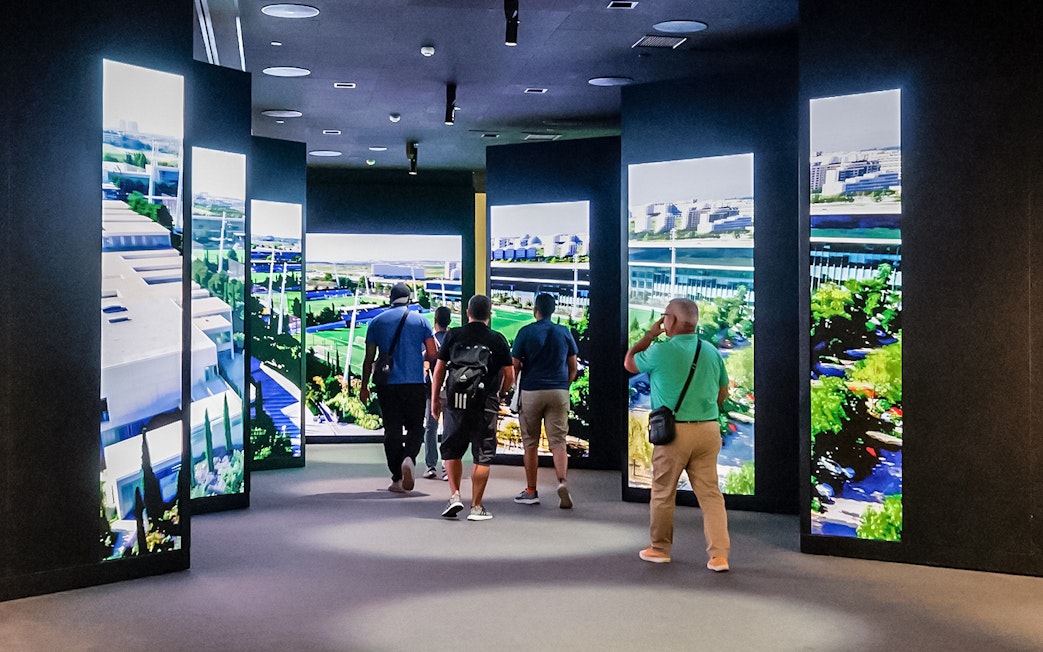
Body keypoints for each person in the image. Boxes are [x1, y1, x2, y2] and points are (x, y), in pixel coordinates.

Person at [623, 297, 731, 571]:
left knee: (662, 492)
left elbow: (629, 363)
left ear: (669, 321)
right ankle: (719, 556)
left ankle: (659, 548)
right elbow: (723, 393)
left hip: (674, 434)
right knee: (710, 495)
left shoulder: (661, 351)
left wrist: (650, 334)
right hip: (708, 430)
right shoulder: (711, 351)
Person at [430, 294, 514, 521]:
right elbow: (509, 374)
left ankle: (455, 495)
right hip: (485, 403)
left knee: (452, 449)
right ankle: (476, 507)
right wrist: (502, 393)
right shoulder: (497, 339)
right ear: (489, 313)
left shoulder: (453, 335)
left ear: (467, 312)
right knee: (482, 456)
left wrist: (436, 399)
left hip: (455, 401)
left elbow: (439, 370)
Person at [361, 282, 437, 493]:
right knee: (416, 427)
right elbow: (432, 353)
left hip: (388, 386)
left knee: (392, 431)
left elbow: (369, 359)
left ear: (390, 298)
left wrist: (364, 386)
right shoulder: (421, 321)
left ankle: (396, 477)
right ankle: (409, 458)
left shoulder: (376, 322)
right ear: (409, 298)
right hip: (414, 383)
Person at [511, 293, 579, 509]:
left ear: (535, 310)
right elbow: (573, 367)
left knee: (530, 443)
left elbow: (515, 366)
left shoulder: (525, 332)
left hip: (532, 391)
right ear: (553, 309)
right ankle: (562, 482)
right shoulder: (564, 332)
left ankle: (531, 490)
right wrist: (564, 385)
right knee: (558, 442)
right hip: (558, 390)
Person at [423, 306, 453, 480]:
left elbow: (424, 360)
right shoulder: (454, 339)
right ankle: (446, 466)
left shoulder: (430, 341)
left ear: (435, 320)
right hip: (450, 388)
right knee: (449, 427)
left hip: (432, 389)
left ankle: (430, 466)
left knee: (430, 427)